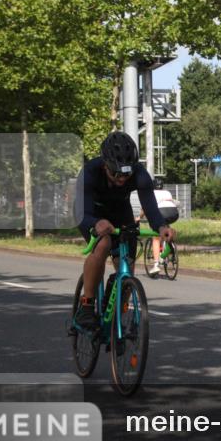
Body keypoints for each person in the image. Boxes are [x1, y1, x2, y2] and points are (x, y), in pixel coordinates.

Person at [72, 131, 175, 332]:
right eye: (116, 173)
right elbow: (82, 211)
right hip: (90, 212)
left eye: (126, 174)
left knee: (126, 262)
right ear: (105, 165)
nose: (121, 178)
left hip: (120, 212)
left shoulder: (140, 174)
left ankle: (115, 321)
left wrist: (162, 227)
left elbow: (151, 208)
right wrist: (96, 223)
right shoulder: (90, 172)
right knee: (103, 244)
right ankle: (87, 304)